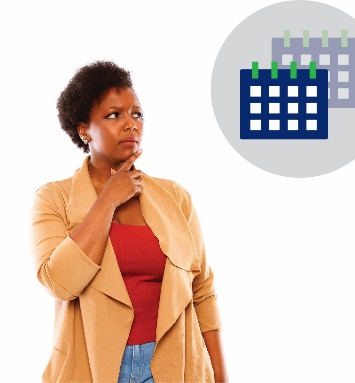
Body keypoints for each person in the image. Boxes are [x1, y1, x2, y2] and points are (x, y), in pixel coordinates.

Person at [30, 61, 228, 383]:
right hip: (92, 366)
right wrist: (108, 199)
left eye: (137, 114)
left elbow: (202, 291)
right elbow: (59, 282)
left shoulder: (176, 198)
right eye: (113, 115)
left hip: (174, 366)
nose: (130, 124)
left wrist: (220, 376)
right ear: (84, 129)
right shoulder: (53, 199)